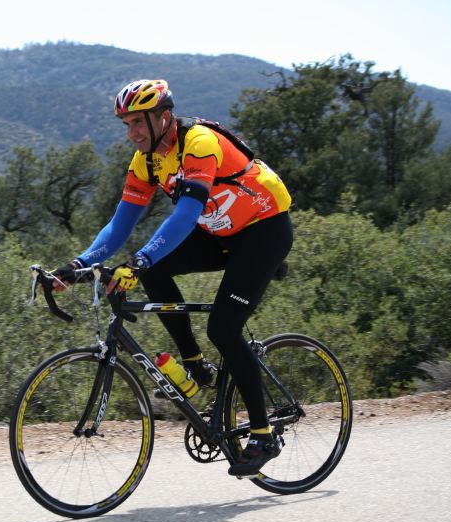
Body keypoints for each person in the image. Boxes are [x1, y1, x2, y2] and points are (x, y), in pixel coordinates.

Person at [53, 79, 293, 477]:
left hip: (262, 230)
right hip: (220, 231)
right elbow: (119, 226)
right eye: (126, 124)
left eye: (137, 123)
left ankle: (264, 434)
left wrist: (141, 261)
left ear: (163, 117)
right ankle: (195, 365)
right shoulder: (145, 161)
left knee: (224, 328)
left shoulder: (198, 143)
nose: (131, 133)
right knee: (159, 268)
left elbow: (185, 214)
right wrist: (76, 265)